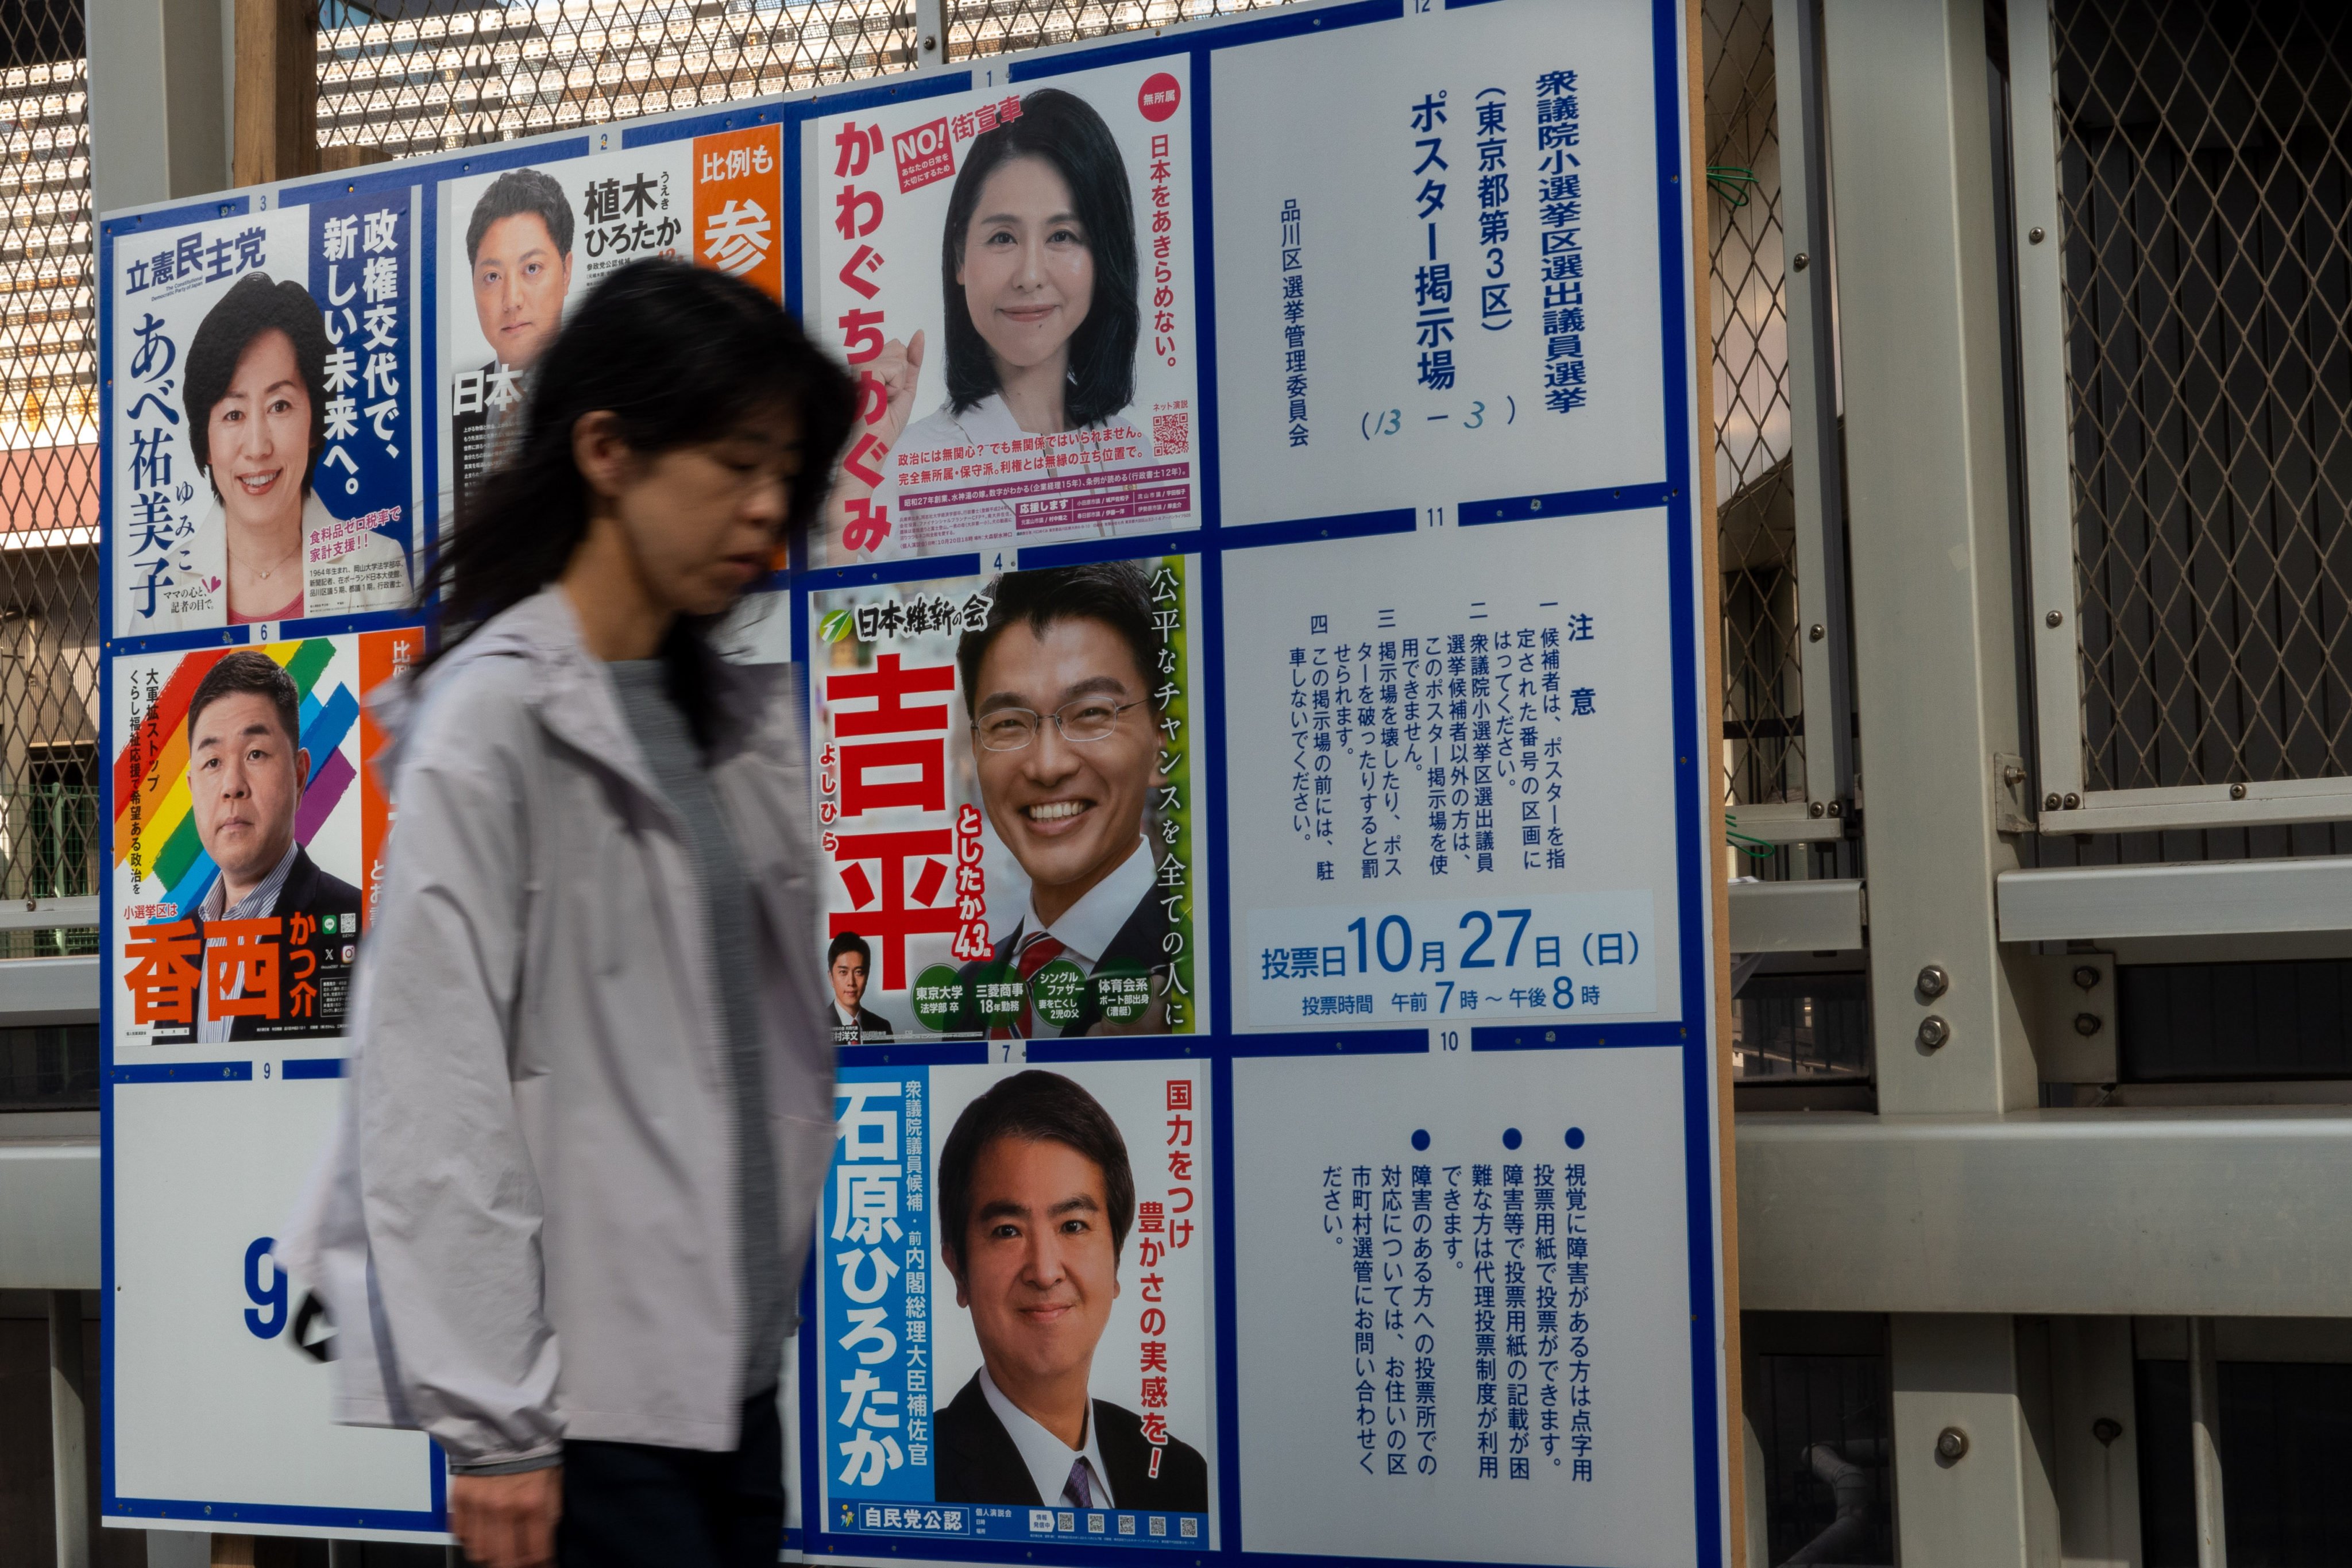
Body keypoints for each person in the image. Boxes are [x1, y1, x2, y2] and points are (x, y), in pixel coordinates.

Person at [278, 258, 855, 1568]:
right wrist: (496, 1426)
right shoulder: (496, 717)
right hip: (586, 1405)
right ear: (606, 450)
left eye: (786, 469)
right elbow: (434, 1083)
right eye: (734, 463)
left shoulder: (718, 718)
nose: (769, 507)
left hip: (730, 1376)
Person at [828, 88, 1148, 554]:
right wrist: (859, 467)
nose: (1030, 276)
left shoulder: (1134, 454)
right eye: (1002, 238)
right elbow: (839, 622)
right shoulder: (912, 467)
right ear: (960, 257)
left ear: (1103, 255)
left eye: (1062, 235)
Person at [933, 1071, 1207, 1513]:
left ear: (1116, 1259)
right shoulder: (906, 1479)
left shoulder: (1180, 1476)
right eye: (1007, 1231)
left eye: (1073, 1226)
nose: (1044, 1272)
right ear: (958, 1272)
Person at [949, 562, 1170, 1037]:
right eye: (1007, 723)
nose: (1047, 766)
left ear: (1162, 737)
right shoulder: (968, 996)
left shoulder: (1197, 970)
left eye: (1091, 713)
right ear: (975, 748)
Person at [156, 272, 412, 630]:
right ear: (206, 441)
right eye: (233, 414)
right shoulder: (164, 591)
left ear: (314, 419)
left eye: (280, 406)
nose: (258, 447)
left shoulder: (377, 563)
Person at [151, 651, 362, 1045]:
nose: (232, 784)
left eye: (255, 754)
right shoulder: (176, 944)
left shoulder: (360, 922)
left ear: (300, 776)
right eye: (212, 762)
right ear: (193, 789)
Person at [451, 167, 577, 503]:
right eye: (492, 276)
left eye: (532, 269)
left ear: (566, 272)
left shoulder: (596, 389)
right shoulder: (455, 404)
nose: (512, 301)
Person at [825, 932, 893, 1043]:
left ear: (867, 976)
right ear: (831, 977)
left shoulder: (882, 1027)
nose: (851, 982)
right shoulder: (817, 1028)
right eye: (843, 972)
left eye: (858, 972)